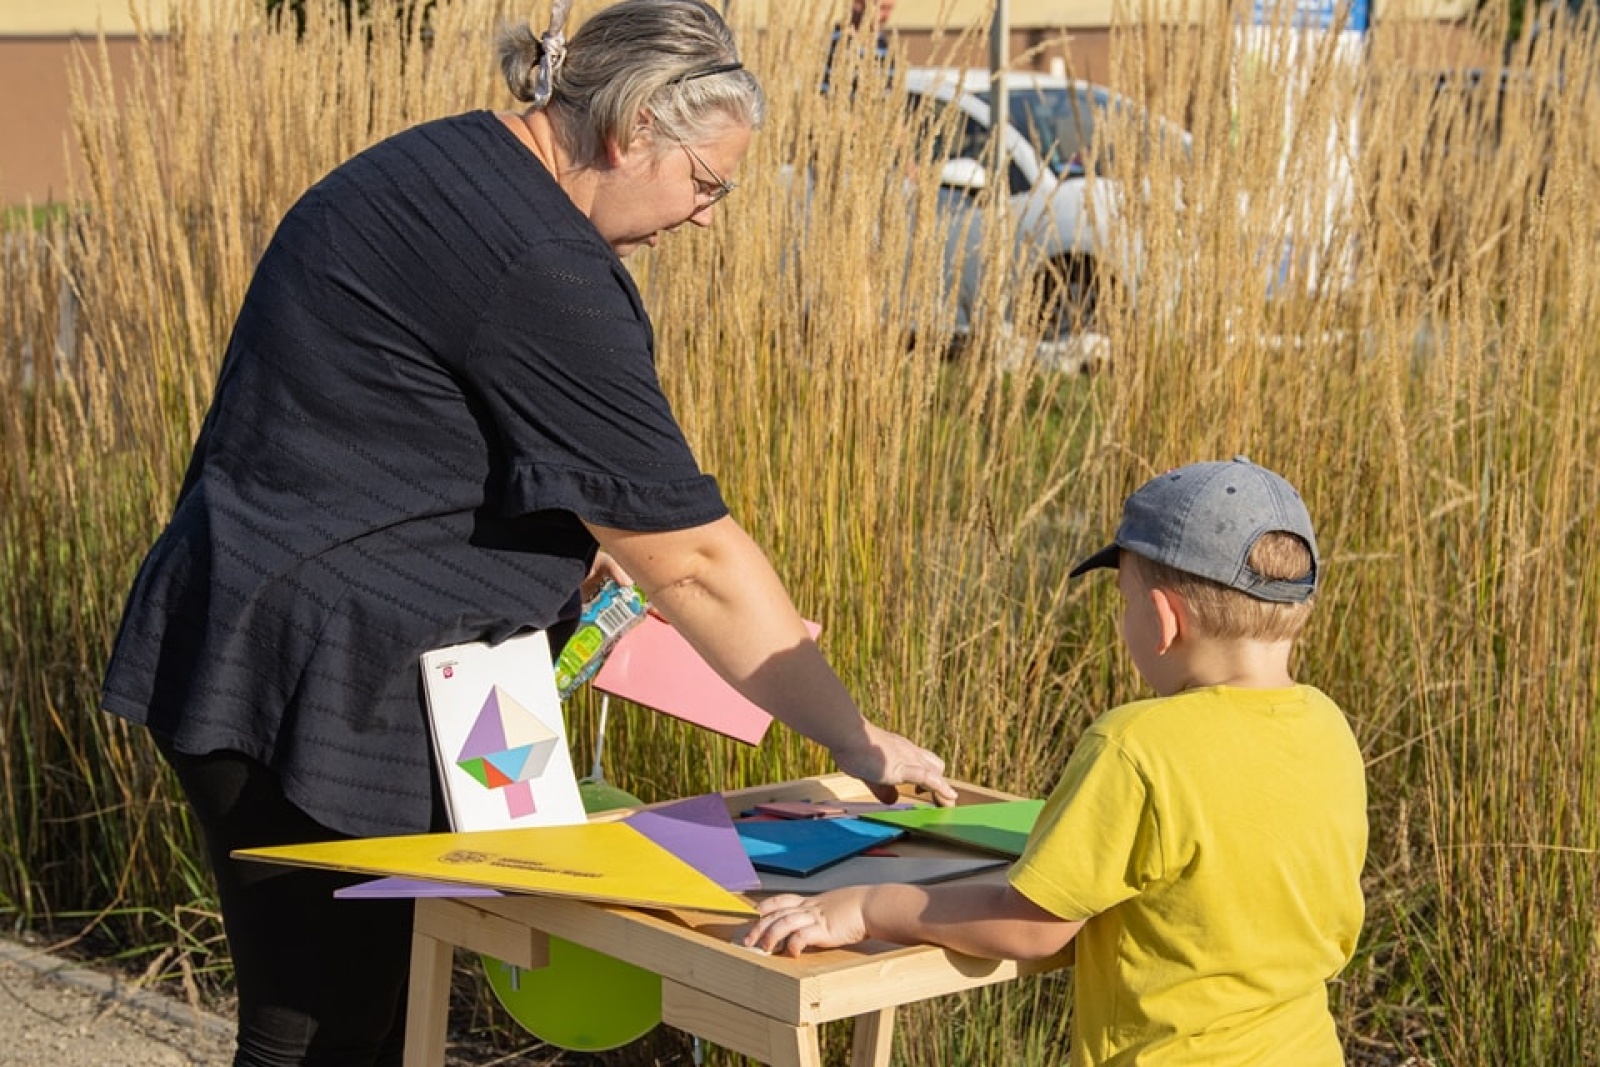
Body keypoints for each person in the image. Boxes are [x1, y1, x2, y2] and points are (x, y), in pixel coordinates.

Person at [99, 1, 956, 1064]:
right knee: (321, 1027)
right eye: (706, 183)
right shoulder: (541, 264)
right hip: (318, 686)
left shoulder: (442, 165)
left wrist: (569, 547)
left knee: (337, 1010)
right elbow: (690, 554)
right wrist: (852, 735)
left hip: (258, 629)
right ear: (633, 125)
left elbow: (394, 421)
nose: (705, 217)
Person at [745, 457, 1369, 1065]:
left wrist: (863, 906)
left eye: (1124, 602)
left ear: (1162, 621)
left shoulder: (1136, 745)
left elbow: (1031, 926)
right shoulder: (1329, 727)